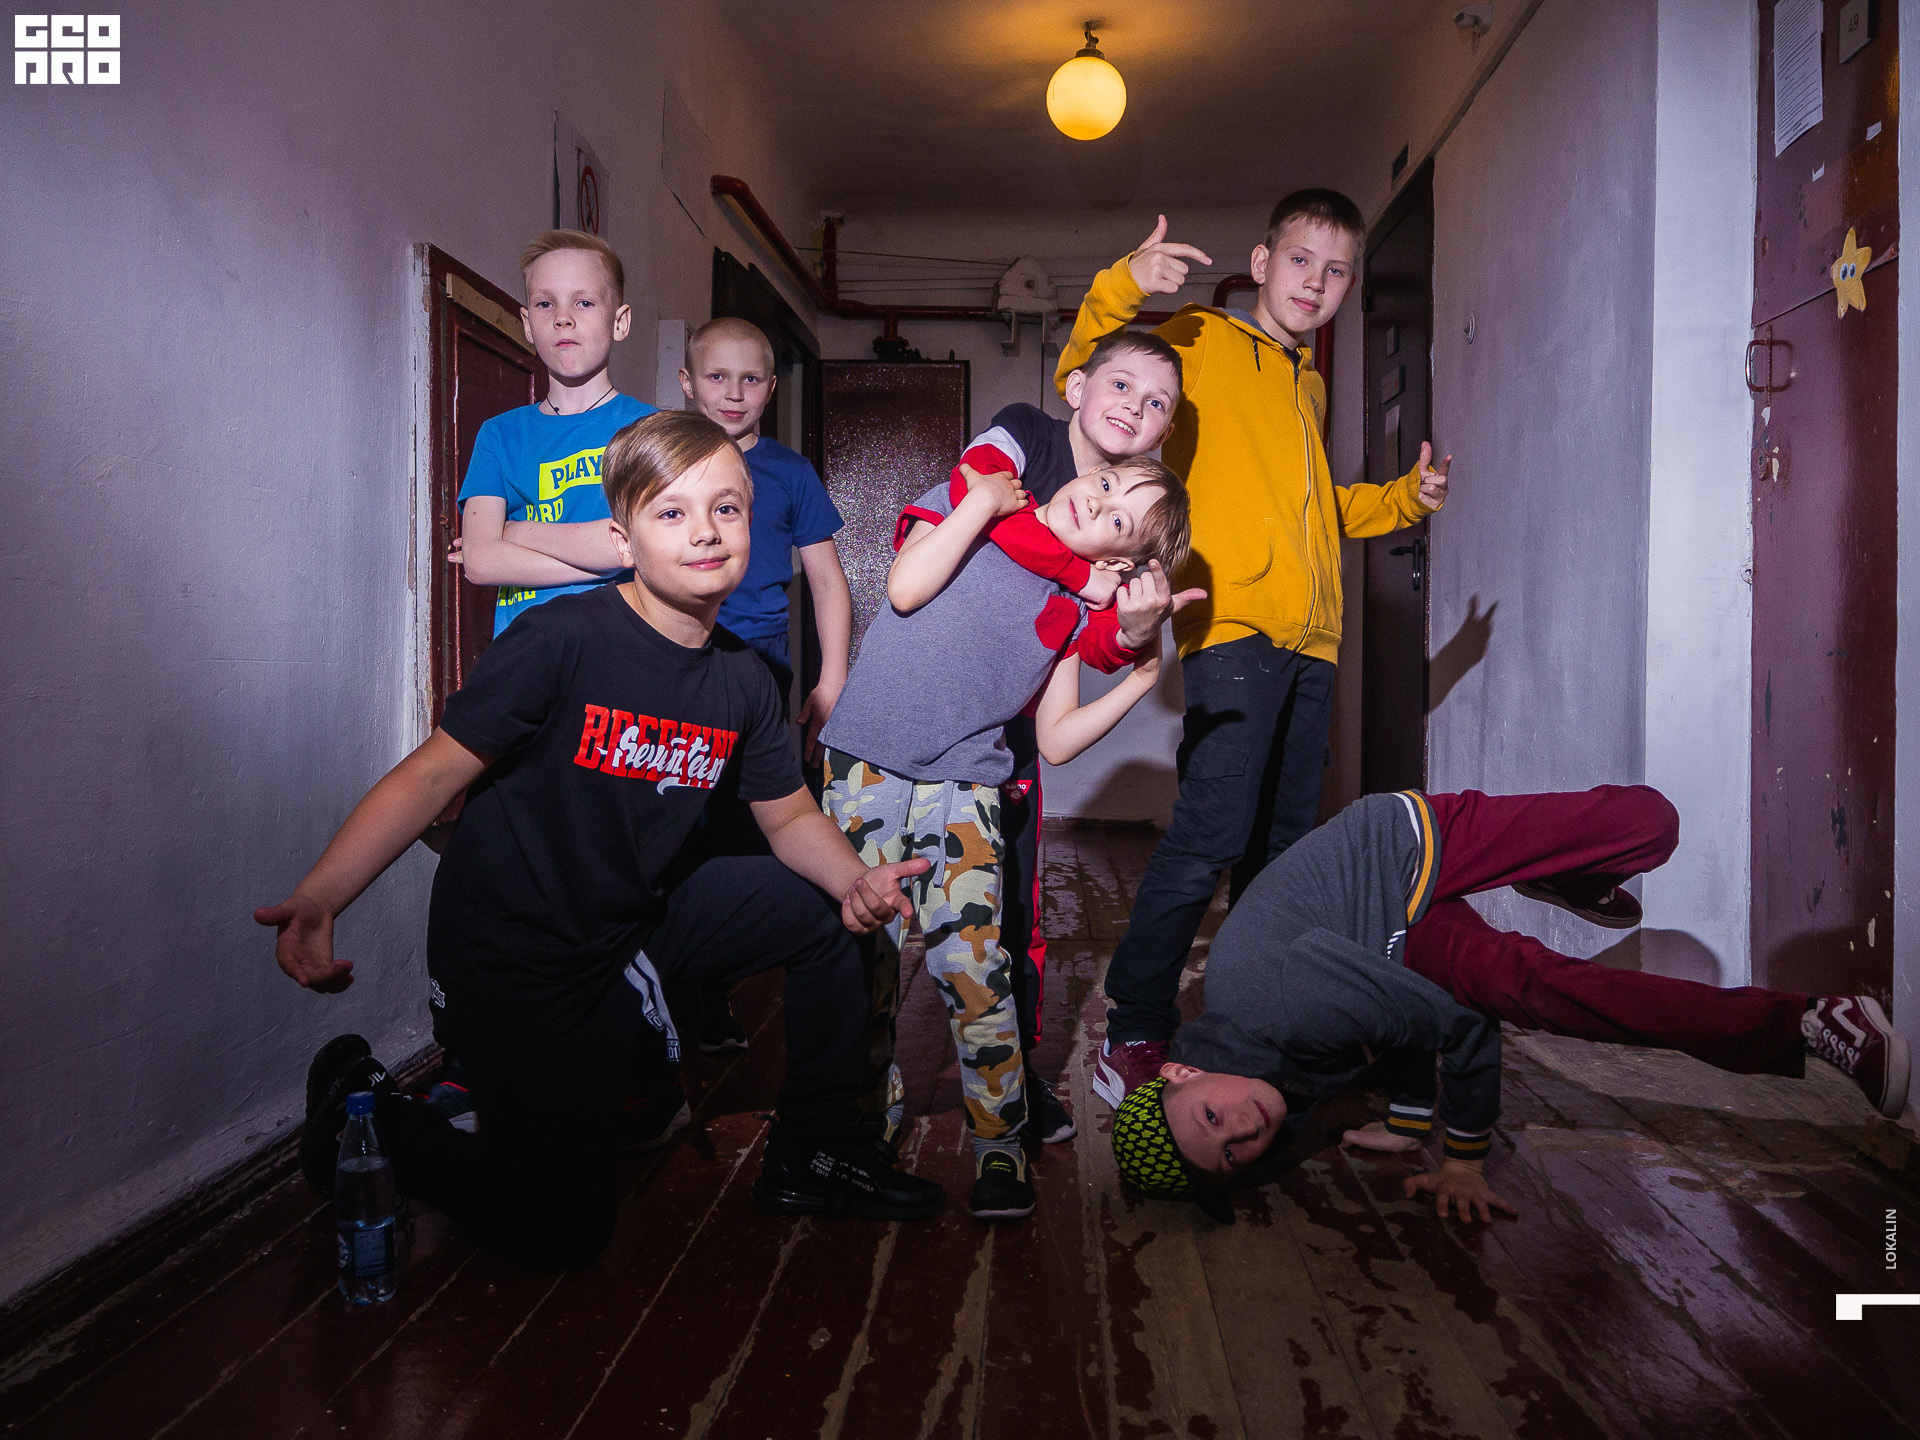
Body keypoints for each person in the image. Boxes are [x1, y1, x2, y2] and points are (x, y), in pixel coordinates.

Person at [254, 411, 946, 1271]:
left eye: (727, 509)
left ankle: (814, 1153)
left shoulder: (746, 677)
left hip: (635, 921)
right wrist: (322, 896)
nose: (705, 531)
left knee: (829, 913)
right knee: (561, 1227)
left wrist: (853, 881)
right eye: (672, 512)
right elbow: (429, 779)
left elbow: (791, 817)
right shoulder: (563, 641)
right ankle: (364, 1115)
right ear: (622, 540)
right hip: (518, 952)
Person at [1053, 194, 1452, 1107]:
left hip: (1315, 640)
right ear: (1263, 262)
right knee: (1210, 836)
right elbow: (1090, 370)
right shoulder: (1202, 339)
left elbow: (1318, 506)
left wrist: (1404, 499)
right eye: (1301, 260)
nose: (1317, 282)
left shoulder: (1308, 383)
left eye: (1337, 270)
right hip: (1235, 626)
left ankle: (1254, 1024)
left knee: (1281, 852)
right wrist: (1123, 285)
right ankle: (1134, 1029)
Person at [1107, 785, 1912, 1224]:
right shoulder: (1253, 1067)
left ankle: (1566, 872)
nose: (1242, 1131)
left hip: (1404, 847)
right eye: (1231, 1156)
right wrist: (1410, 1122)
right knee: (1541, 990)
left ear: (1180, 1072)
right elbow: (1389, 1019)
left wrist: (1462, 1158)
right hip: (1390, 941)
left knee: (1651, 824)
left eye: (1210, 1119)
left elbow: (1449, 1028)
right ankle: (1815, 1023)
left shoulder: (1274, 1003)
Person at [819, 457, 1194, 1222]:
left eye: (1120, 518)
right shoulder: (971, 498)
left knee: (974, 970)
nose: (1100, 499)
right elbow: (904, 588)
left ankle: (999, 1144)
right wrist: (985, 501)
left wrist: (1136, 675)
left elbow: (1055, 739)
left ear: (1119, 561)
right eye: (1109, 483)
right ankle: (866, 1121)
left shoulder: (1070, 606)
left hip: (964, 788)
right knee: (862, 962)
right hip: (861, 764)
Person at [937, 329, 1189, 1146]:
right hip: (926, 707)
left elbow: (1089, 646)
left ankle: (1016, 1081)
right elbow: (975, 488)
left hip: (1008, 739)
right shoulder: (1025, 433)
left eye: (1157, 403)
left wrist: (1137, 632)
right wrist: (1083, 575)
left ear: (1166, 431)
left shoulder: (1132, 520)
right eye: (1121, 385)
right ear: (1076, 386)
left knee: (1013, 917)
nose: (1135, 408)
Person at [675, 316, 853, 1053]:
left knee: (743, 821)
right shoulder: (663, 458)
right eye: (717, 376)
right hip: (676, 665)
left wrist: (831, 680)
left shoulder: (790, 473)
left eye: (750, 379)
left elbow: (828, 582)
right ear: (687, 382)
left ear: (772, 389)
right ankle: (667, 990)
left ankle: (715, 986)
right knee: (674, 818)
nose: (733, 392)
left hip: (759, 672)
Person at [452, 229, 656, 631]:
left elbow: (645, 544)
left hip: (618, 645)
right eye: (545, 303)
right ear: (528, 324)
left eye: (584, 302)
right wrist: (612, 560)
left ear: (620, 322)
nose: (563, 318)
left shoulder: (651, 430)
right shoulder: (499, 436)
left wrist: (514, 532)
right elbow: (480, 562)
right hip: (526, 649)